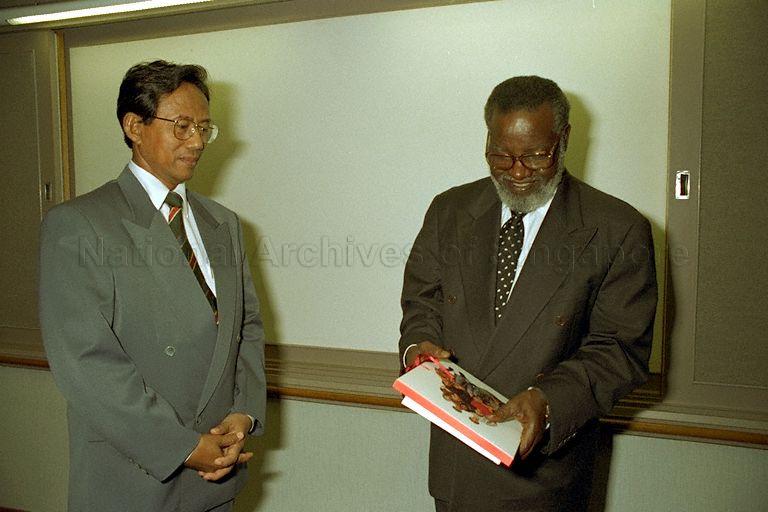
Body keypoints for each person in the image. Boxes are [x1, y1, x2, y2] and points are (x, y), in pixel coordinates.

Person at [399, 75, 657, 511]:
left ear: (565, 139)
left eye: (537, 155)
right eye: (500, 155)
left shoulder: (617, 228)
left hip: (543, 478)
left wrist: (549, 400)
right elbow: (421, 303)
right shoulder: (450, 210)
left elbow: (619, 348)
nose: (517, 172)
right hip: (456, 469)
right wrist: (416, 351)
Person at [39, 60, 266, 512]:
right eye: (182, 126)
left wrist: (243, 414)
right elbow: (87, 363)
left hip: (216, 478)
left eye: (204, 128)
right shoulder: (80, 225)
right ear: (134, 126)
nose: (197, 141)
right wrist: (182, 445)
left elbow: (247, 330)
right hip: (133, 478)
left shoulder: (223, 224)